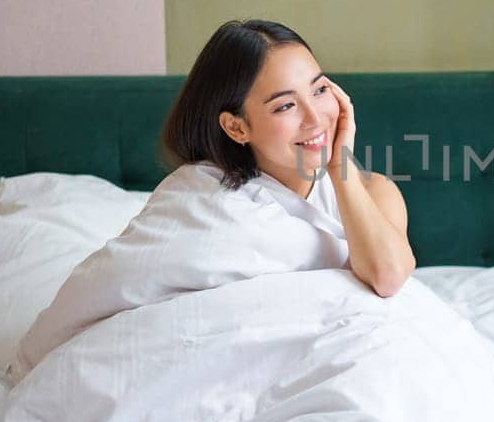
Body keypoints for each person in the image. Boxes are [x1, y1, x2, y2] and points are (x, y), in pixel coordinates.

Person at [159, 19, 414, 297]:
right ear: (237, 127)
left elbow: (388, 276)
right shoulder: (201, 203)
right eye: (286, 106)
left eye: (319, 90)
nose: (315, 118)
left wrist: (341, 166)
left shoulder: (376, 191)